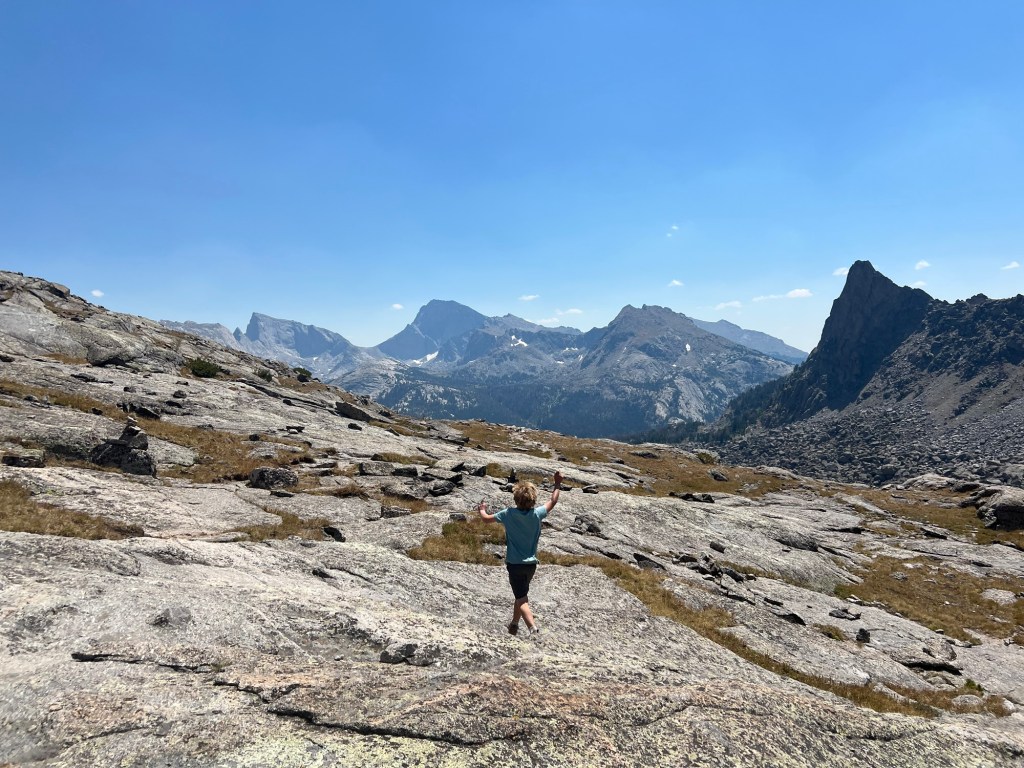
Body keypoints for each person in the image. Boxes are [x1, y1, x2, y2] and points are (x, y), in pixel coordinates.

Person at [477, 471, 562, 636]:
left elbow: (486, 519)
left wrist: (482, 509)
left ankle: (533, 629)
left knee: (522, 598)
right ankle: (514, 624)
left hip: (515, 565)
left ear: (515, 498)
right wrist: (557, 483)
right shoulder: (537, 514)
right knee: (521, 594)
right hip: (531, 565)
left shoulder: (508, 514)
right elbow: (553, 500)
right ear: (533, 499)